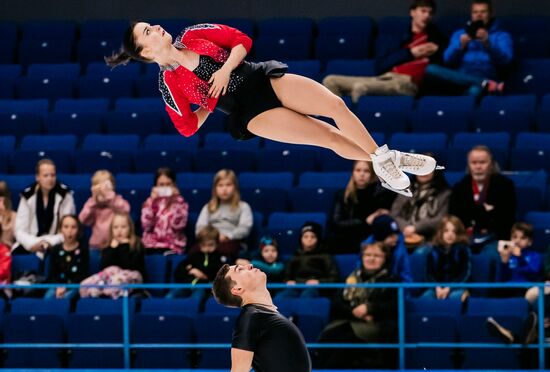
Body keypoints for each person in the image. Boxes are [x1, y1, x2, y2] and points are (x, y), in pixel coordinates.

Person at [106, 21, 442, 196]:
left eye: (150, 24)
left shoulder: (193, 33)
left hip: (261, 79)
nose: (156, 27)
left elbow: (242, 40)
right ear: (146, 52)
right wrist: (208, 102)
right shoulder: (169, 85)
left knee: (335, 105)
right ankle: (387, 160)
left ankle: (386, 160)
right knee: (327, 137)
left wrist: (224, 70)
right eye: (148, 31)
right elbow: (187, 127)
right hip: (249, 113)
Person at [323, 0, 446, 101]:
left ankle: (352, 128)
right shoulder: (400, 39)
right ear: (413, 12)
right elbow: (381, 65)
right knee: (330, 80)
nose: (426, 16)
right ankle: (335, 124)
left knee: (360, 87)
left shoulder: (435, 39)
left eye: (430, 13)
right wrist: (410, 53)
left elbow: (441, 68)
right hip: (384, 78)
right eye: (423, 11)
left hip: (407, 82)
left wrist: (436, 50)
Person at [212, 263, 312, 372]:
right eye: (240, 269)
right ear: (238, 289)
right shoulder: (251, 317)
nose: (249, 265)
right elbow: (239, 370)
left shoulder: (262, 315)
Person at [316, 242, 398, 369]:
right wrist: (354, 312)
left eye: (377, 256)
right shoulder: (351, 278)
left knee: (348, 340)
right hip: (348, 320)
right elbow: (337, 303)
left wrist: (370, 308)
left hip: (374, 326)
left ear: (384, 259)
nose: (371, 258)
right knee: (329, 336)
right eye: (368, 255)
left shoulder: (391, 280)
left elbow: (393, 306)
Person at [426, 0, 513, 96]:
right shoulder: (459, 34)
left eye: (483, 12)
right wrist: (460, 46)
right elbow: (447, 60)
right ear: (471, 15)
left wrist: (488, 44)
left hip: (485, 73)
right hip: (459, 76)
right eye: (475, 12)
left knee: (474, 91)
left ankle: (483, 83)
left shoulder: (501, 36)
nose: (479, 15)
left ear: (490, 14)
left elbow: (506, 61)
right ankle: (485, 83)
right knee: (429, 68)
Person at [449, 145, 516, 244]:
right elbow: (455, 217)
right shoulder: (460, 187)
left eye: (482, 162)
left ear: (491, 164)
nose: (478, 167)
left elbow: (506, 218)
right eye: (474, 163)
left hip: (496, 238)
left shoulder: (505, 186)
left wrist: (473, 214)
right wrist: (486, 211)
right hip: (464, 238)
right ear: (469, 165)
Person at [328, 161, 396, 254]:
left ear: (372, 174)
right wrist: (364, 222)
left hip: (371, 238)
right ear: (353, 173)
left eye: (366, 171)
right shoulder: (343, 195)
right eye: (358, 170)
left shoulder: (381, 194)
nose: (362, 174)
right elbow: (335, 224)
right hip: (347, 237)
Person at [14, 159, 75, 257]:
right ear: (37, 177)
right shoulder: (27, 196)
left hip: (57, 242)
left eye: (53, 175)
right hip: (31, 243)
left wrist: (49, 242)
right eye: (46, 175)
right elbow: (20, 230)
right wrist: (34, 244)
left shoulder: (65, 195)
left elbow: (69, 228)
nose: (50, 179)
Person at [80, 212, 145, 299]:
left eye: (123, 227)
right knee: (85, 285)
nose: (119, 230)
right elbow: (104, 267)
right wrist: (111, 249)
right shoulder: (109, 247)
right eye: (116, 227)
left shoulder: (136, 245)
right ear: (111, 230)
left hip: (132, 276)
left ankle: (107, 297)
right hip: (111, 277)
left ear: (130, 228)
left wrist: (123, 246)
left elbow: (129, 265)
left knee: (116, 282)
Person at [195, 169, 252, 257]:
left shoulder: (243, 206)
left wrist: (228, 236)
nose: (224, 189)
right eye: (220, 185)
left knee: (224, 250)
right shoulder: (208, 207)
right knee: (194, 251)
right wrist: (212, 237)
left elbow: (245, 228)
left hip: (232, 242)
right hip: (210, 242)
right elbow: (200, 228)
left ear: (235, 187)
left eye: (228, 185)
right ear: (215, 189)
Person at [391, 163, 451, 246]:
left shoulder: (444, 193)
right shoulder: (405, 189)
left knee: (420, 253)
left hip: (431, 238)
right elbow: (395, 214)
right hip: (403, 234)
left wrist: (416, 228)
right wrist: (405, 227)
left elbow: (442, 219)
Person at [276, 222, 339, 299]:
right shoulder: (294, 257)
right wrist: (288, 281)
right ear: (301, 238)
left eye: (313, 237)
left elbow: (334, 278)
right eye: (305, 236)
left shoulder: (326, 256)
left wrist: (319, 282)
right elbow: (286, 276)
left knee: (306, 296)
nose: (309, 239)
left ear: (318, 239)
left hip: (316, 289)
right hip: (296, 287)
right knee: (280, 298)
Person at [422, 215, 472, 300]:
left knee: (454, 298)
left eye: (454, 231)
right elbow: (429, 274)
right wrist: (437, 287)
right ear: (440, 232)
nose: (450, 234)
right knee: (425, 298)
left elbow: (465, 274)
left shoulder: (463, 250)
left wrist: (449, 288)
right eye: (446, 231)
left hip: (457, 287)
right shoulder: (433, 251)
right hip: (436, 288)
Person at [141, 167, 189, 255]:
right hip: (151, 245)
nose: (165, 187)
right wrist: (153, 203)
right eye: (161, 185)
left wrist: (175, 201)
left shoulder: (180, 202)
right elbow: (146, 226)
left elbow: (179, 226)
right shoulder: (149, 202)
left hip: (172, 245)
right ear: (156, 186)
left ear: (174, 185)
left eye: (168, 184)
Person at [79, 170, 130, 249]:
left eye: (105, 186)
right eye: (98, 187)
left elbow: (126, 210)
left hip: (116, 244)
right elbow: (83, 219)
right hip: (96, 245)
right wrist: (94, 201)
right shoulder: (92, 203)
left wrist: (109, 197)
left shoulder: (116, 200)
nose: (102, 190)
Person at [172, 225, 225, 299]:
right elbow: (178, 272)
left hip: (203, 287)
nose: (207, 248)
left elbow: (217, 273)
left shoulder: (219, 258)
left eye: (210, 245)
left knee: (196, 299)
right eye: (203, 245)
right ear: (199, 245)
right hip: (186, 284)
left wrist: (203, 275)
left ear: (217, 243)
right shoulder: (194, 256)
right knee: (170, 297)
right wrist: (190, 270)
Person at [45, 215, 89, 299]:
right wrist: (58, 287)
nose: (69, 231)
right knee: (48, 298)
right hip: (56, 286)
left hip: (74, 286)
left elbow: (82, 275)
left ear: (78, 230)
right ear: (60, 229)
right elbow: (52, 273)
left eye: (73, 227)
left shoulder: (83, 251)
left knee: (66, 298)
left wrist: (66, 287)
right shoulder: (55, 250)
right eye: (66, 227)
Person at [494, 222, 542, 297]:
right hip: (508, 288)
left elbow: (533, 275)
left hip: (526, 288)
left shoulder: (534, 256)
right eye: (514, 237)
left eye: (523, 238)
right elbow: (501, 280)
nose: (517, 241)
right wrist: (504, 262)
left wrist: (520, 257)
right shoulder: (506, 254)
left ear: (530, 242)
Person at [361, 215, 413, 283]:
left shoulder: (400, 248)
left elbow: (406, 278)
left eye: (397, 234)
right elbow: (360, 273)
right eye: (391, 236)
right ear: (381, 238)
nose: (396, 238)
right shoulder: (366, 247)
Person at [0, 181, 17, 247]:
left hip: (6, 251)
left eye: (2, 199)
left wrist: (5, 217)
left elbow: (20, 238)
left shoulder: (14, 216)